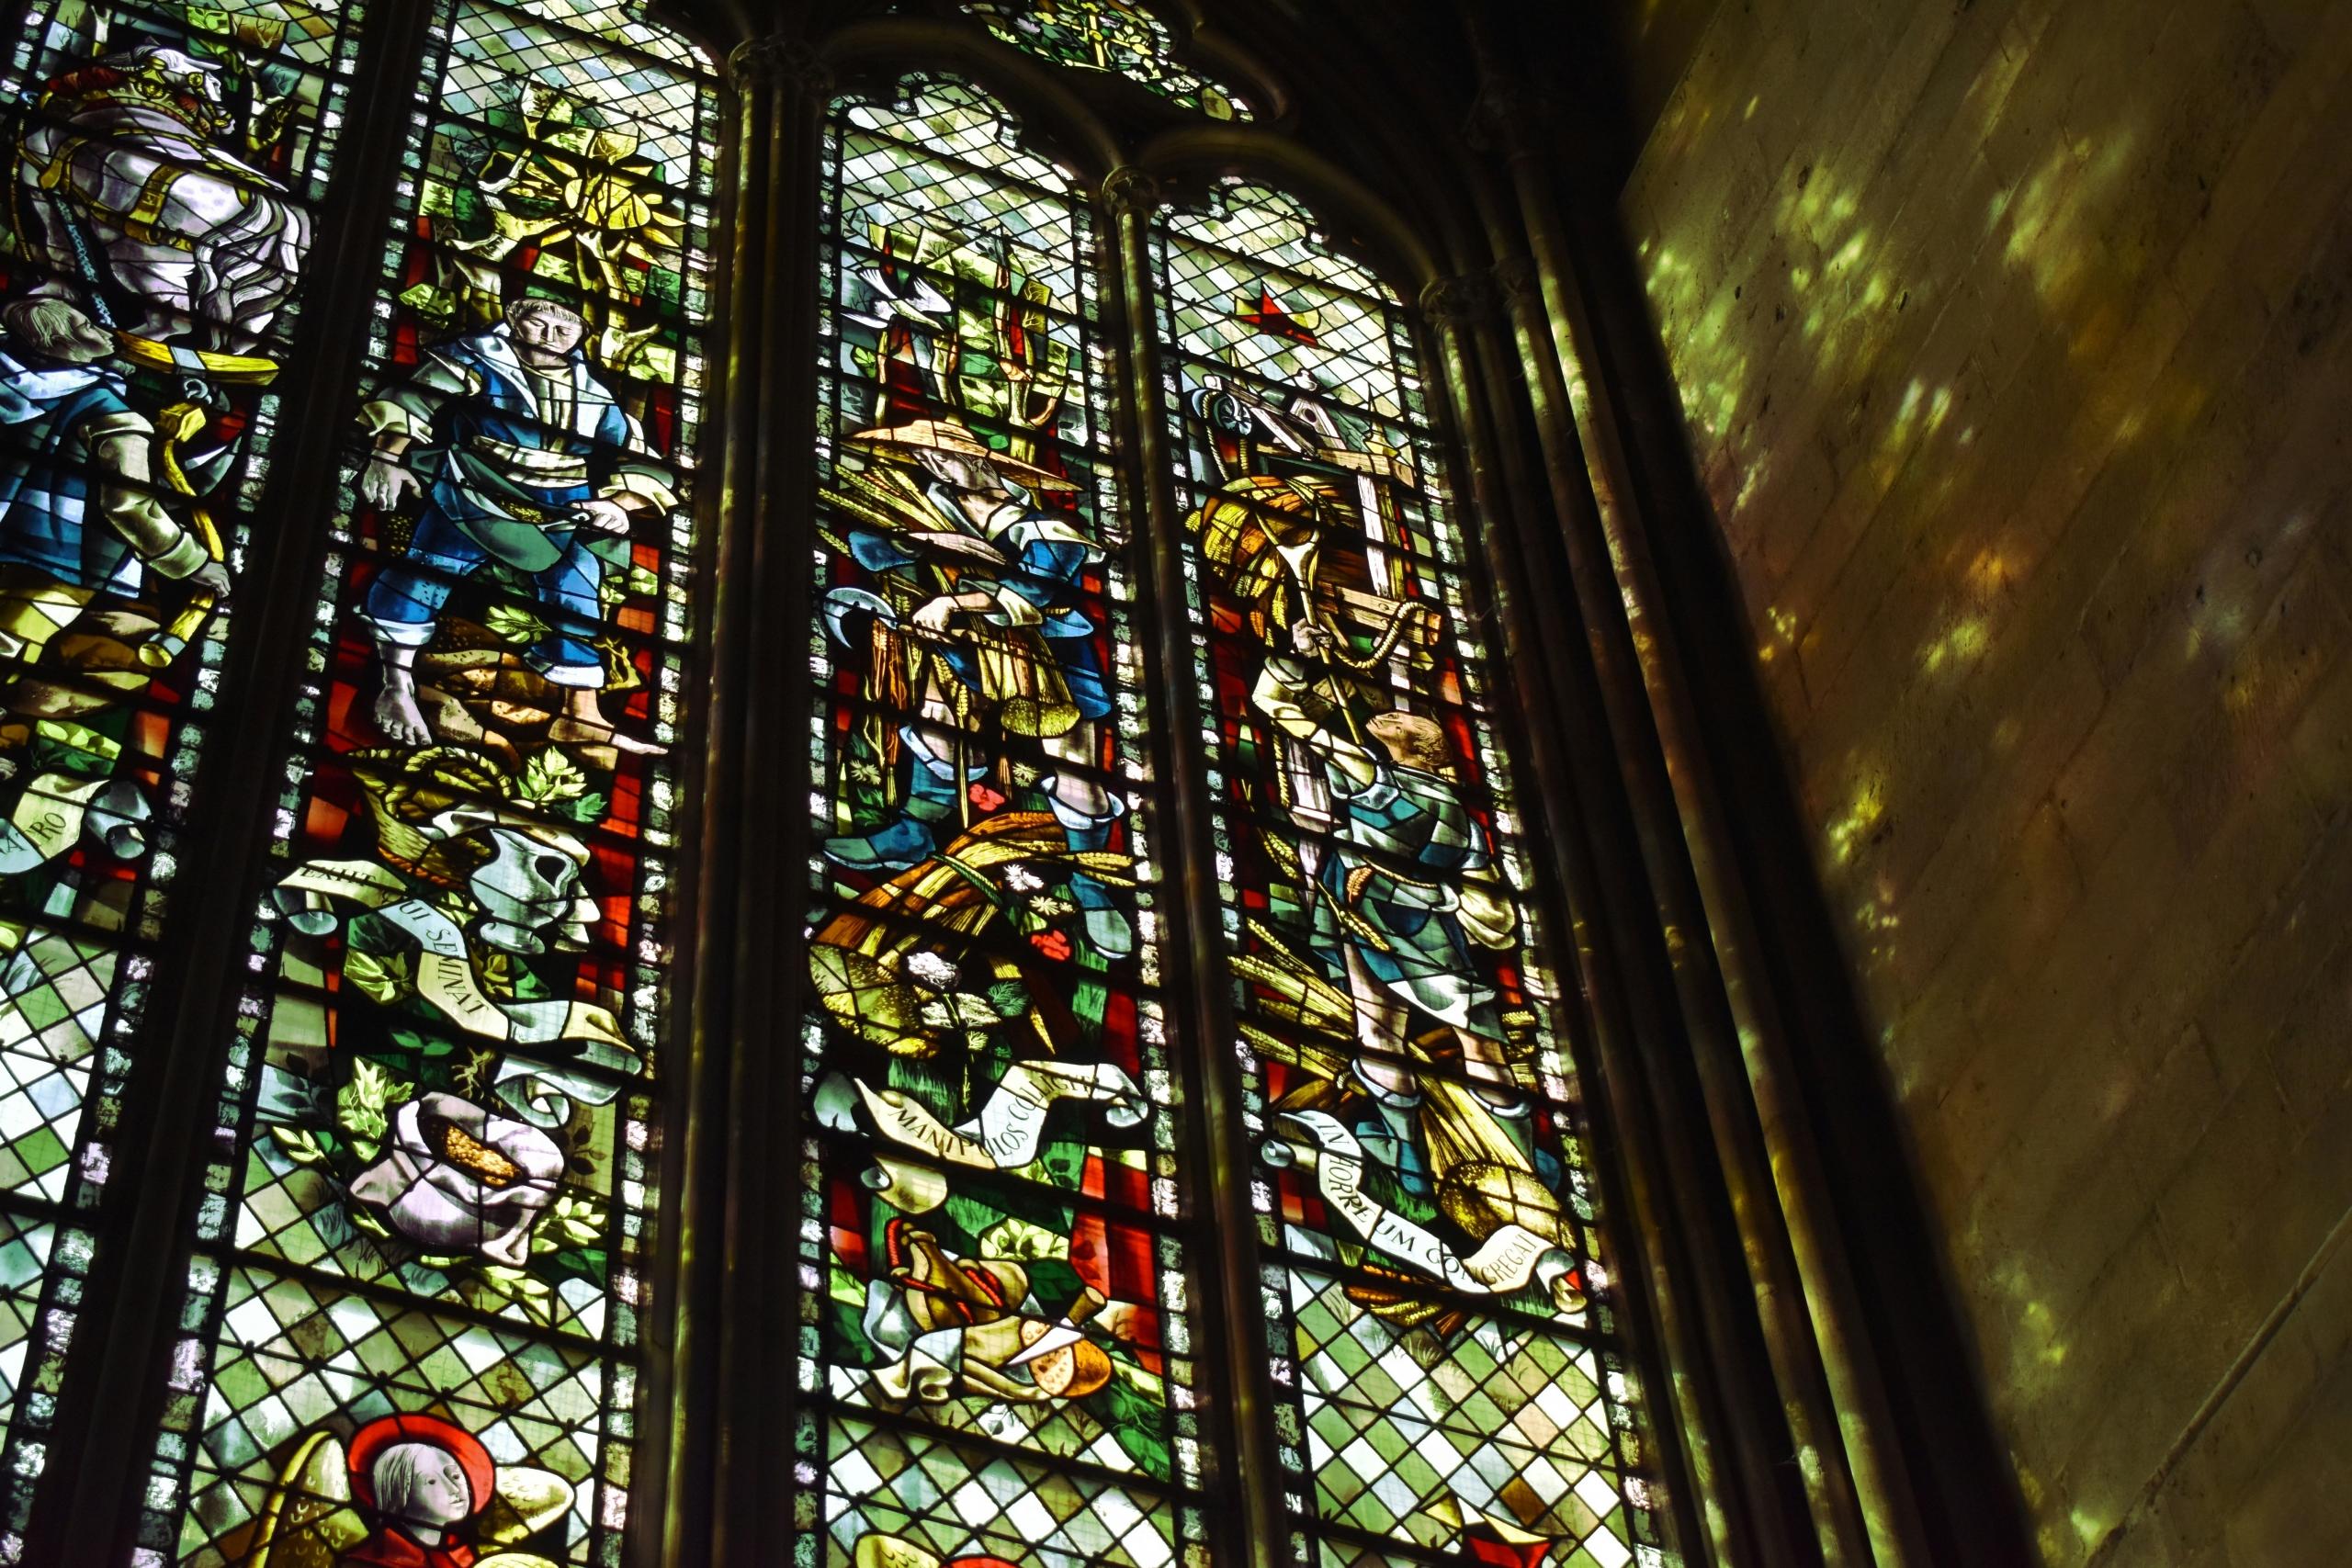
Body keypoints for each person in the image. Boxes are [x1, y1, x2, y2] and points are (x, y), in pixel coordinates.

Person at [825, 415, 1132, 957]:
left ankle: (1092, 886)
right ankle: (912, 833)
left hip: (1052, 659)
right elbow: (870, 544)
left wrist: (952, 601)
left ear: (978, 456)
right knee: (937, 727)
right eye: (922, 459)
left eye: (940, 455)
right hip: (962, 647)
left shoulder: (1045, 529)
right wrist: (914, 541)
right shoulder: (928, 506)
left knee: (1077, 774)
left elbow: (1036, 590)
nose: (931, 465)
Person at [356, 295, 673, 754]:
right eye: (539, 324)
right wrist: (385, 457)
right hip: (475, 484)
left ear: (581, 337)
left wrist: (621, 504)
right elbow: (414, 397)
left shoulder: (596, 392)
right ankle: (395, 686)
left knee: (578, 586)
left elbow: (642, 459)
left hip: (562, 506)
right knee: (425, 572)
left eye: (565, 330)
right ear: (513, 321)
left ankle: (580, 715)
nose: (551, 336)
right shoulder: (477, 359)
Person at [0, 297, 229, 683]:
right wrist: (191, 561)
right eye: (87, 326)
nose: (104, 330)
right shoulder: (105, 411)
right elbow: (127, 503)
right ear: (60, 345)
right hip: (51, 563)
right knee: (9, 655)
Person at [344, 1413, 496, 1568]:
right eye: (431, 1481)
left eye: (455, 1476)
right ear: (401, 1491)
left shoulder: (463, 1557)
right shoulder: (374, 1561)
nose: (454, 1488)